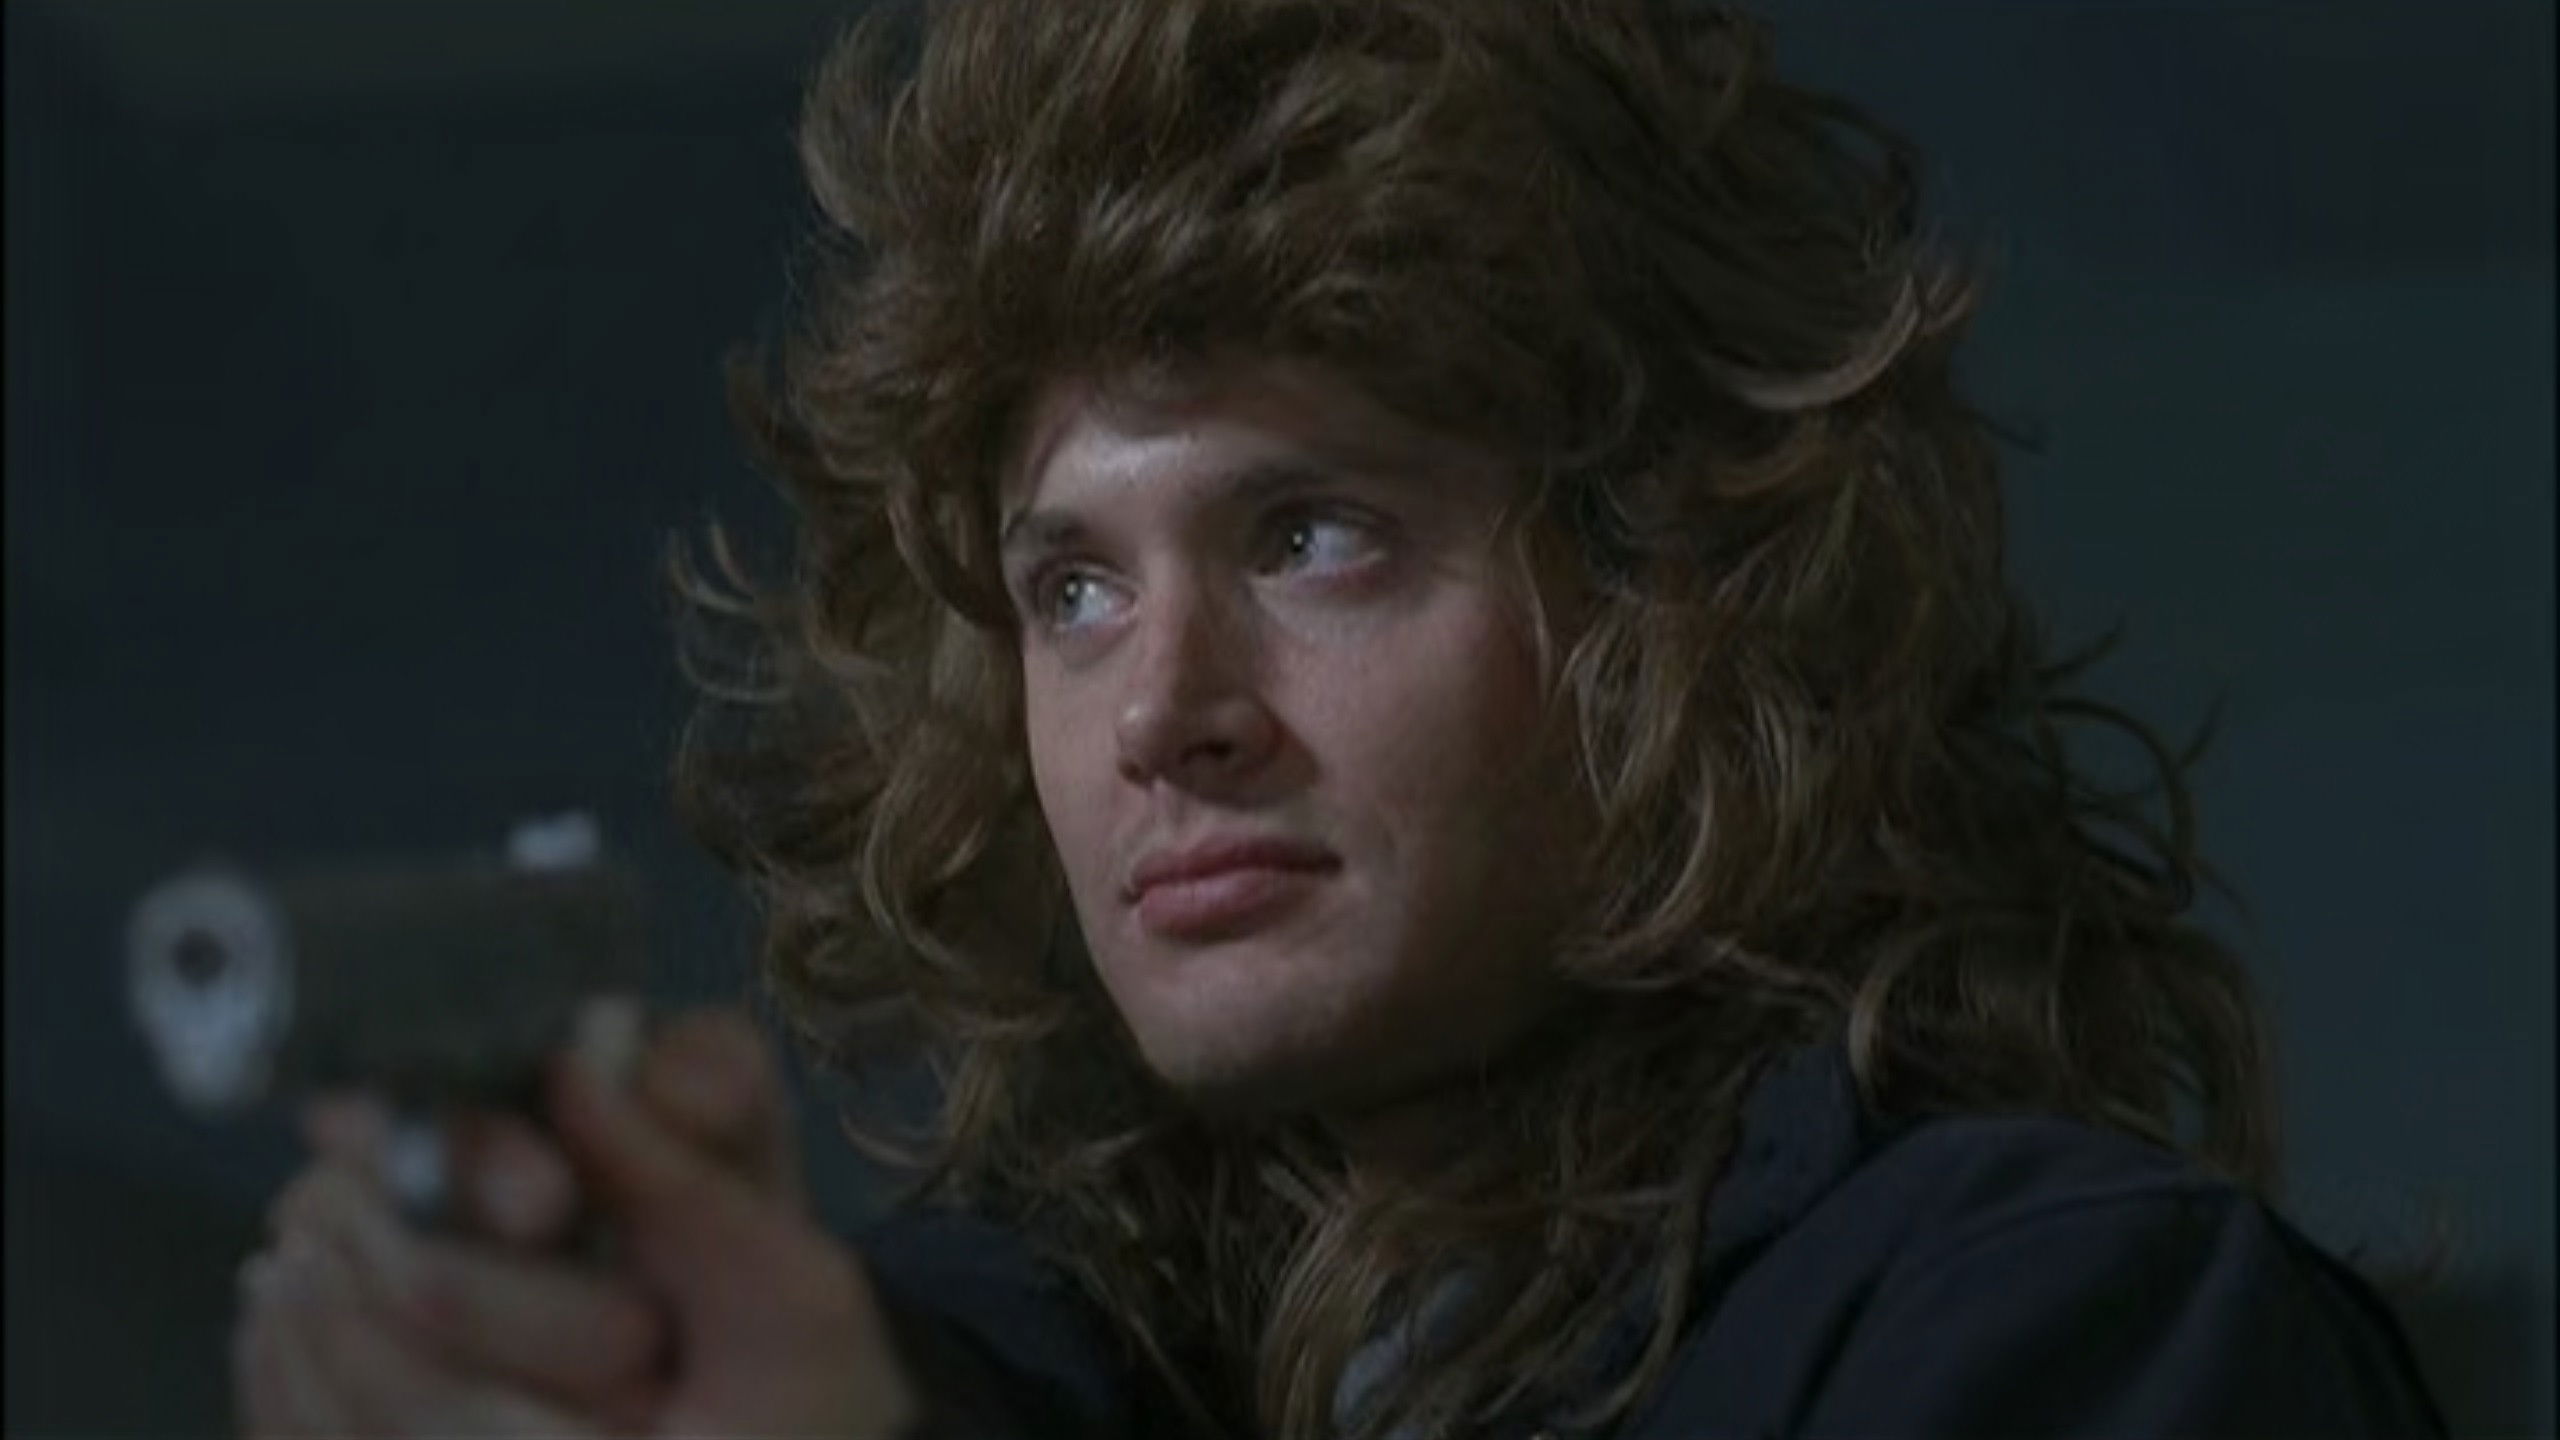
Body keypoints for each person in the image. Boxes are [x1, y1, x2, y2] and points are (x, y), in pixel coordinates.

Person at [232, 1, 2452, 1436]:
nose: (1159, 712)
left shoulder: (2074, 1332)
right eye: (1071, 587)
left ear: (1667, 601)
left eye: (1309, 537)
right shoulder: (969, 1366)